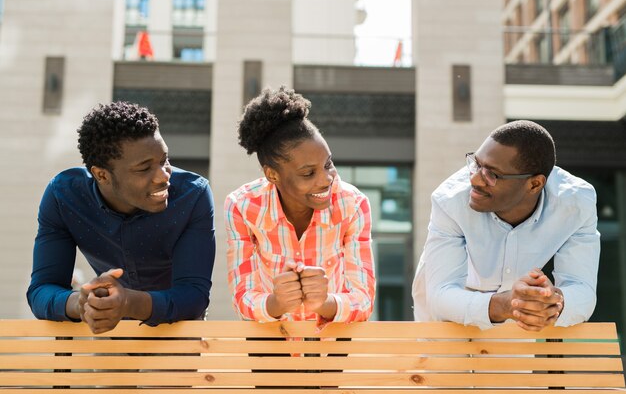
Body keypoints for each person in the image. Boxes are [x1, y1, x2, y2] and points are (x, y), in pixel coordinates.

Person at [27, 101, 216, 334]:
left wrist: (127, 302)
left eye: (164, 160)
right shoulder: (63, 196)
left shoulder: (193, 195)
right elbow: (41, 289)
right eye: (144, 168)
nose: (163, 176)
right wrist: (81, 304)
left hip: (178, 325)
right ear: (102, 175)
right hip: (108, 325)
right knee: (106, 360)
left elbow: (194, 295)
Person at [412, 120, 600, 331]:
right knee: (446, 361)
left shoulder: (576, 204)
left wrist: (552, 302)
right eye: (476, 164)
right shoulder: (449, 201)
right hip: (448, 307)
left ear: (534, 184)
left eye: (492, 174)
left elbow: (582, 289)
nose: (475, 179)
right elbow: (441, 296)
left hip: (517, 310)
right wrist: (508, 304)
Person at [225, 86, 376, 326]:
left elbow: (364, 300)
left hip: (332, 352)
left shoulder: (353, 205)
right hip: (270, 352)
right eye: (308, 173)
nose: (327, 179)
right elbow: (242, 297)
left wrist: (326, 302)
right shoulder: (243, 207)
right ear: (272, 175)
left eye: (328, 164)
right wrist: (276, 303)